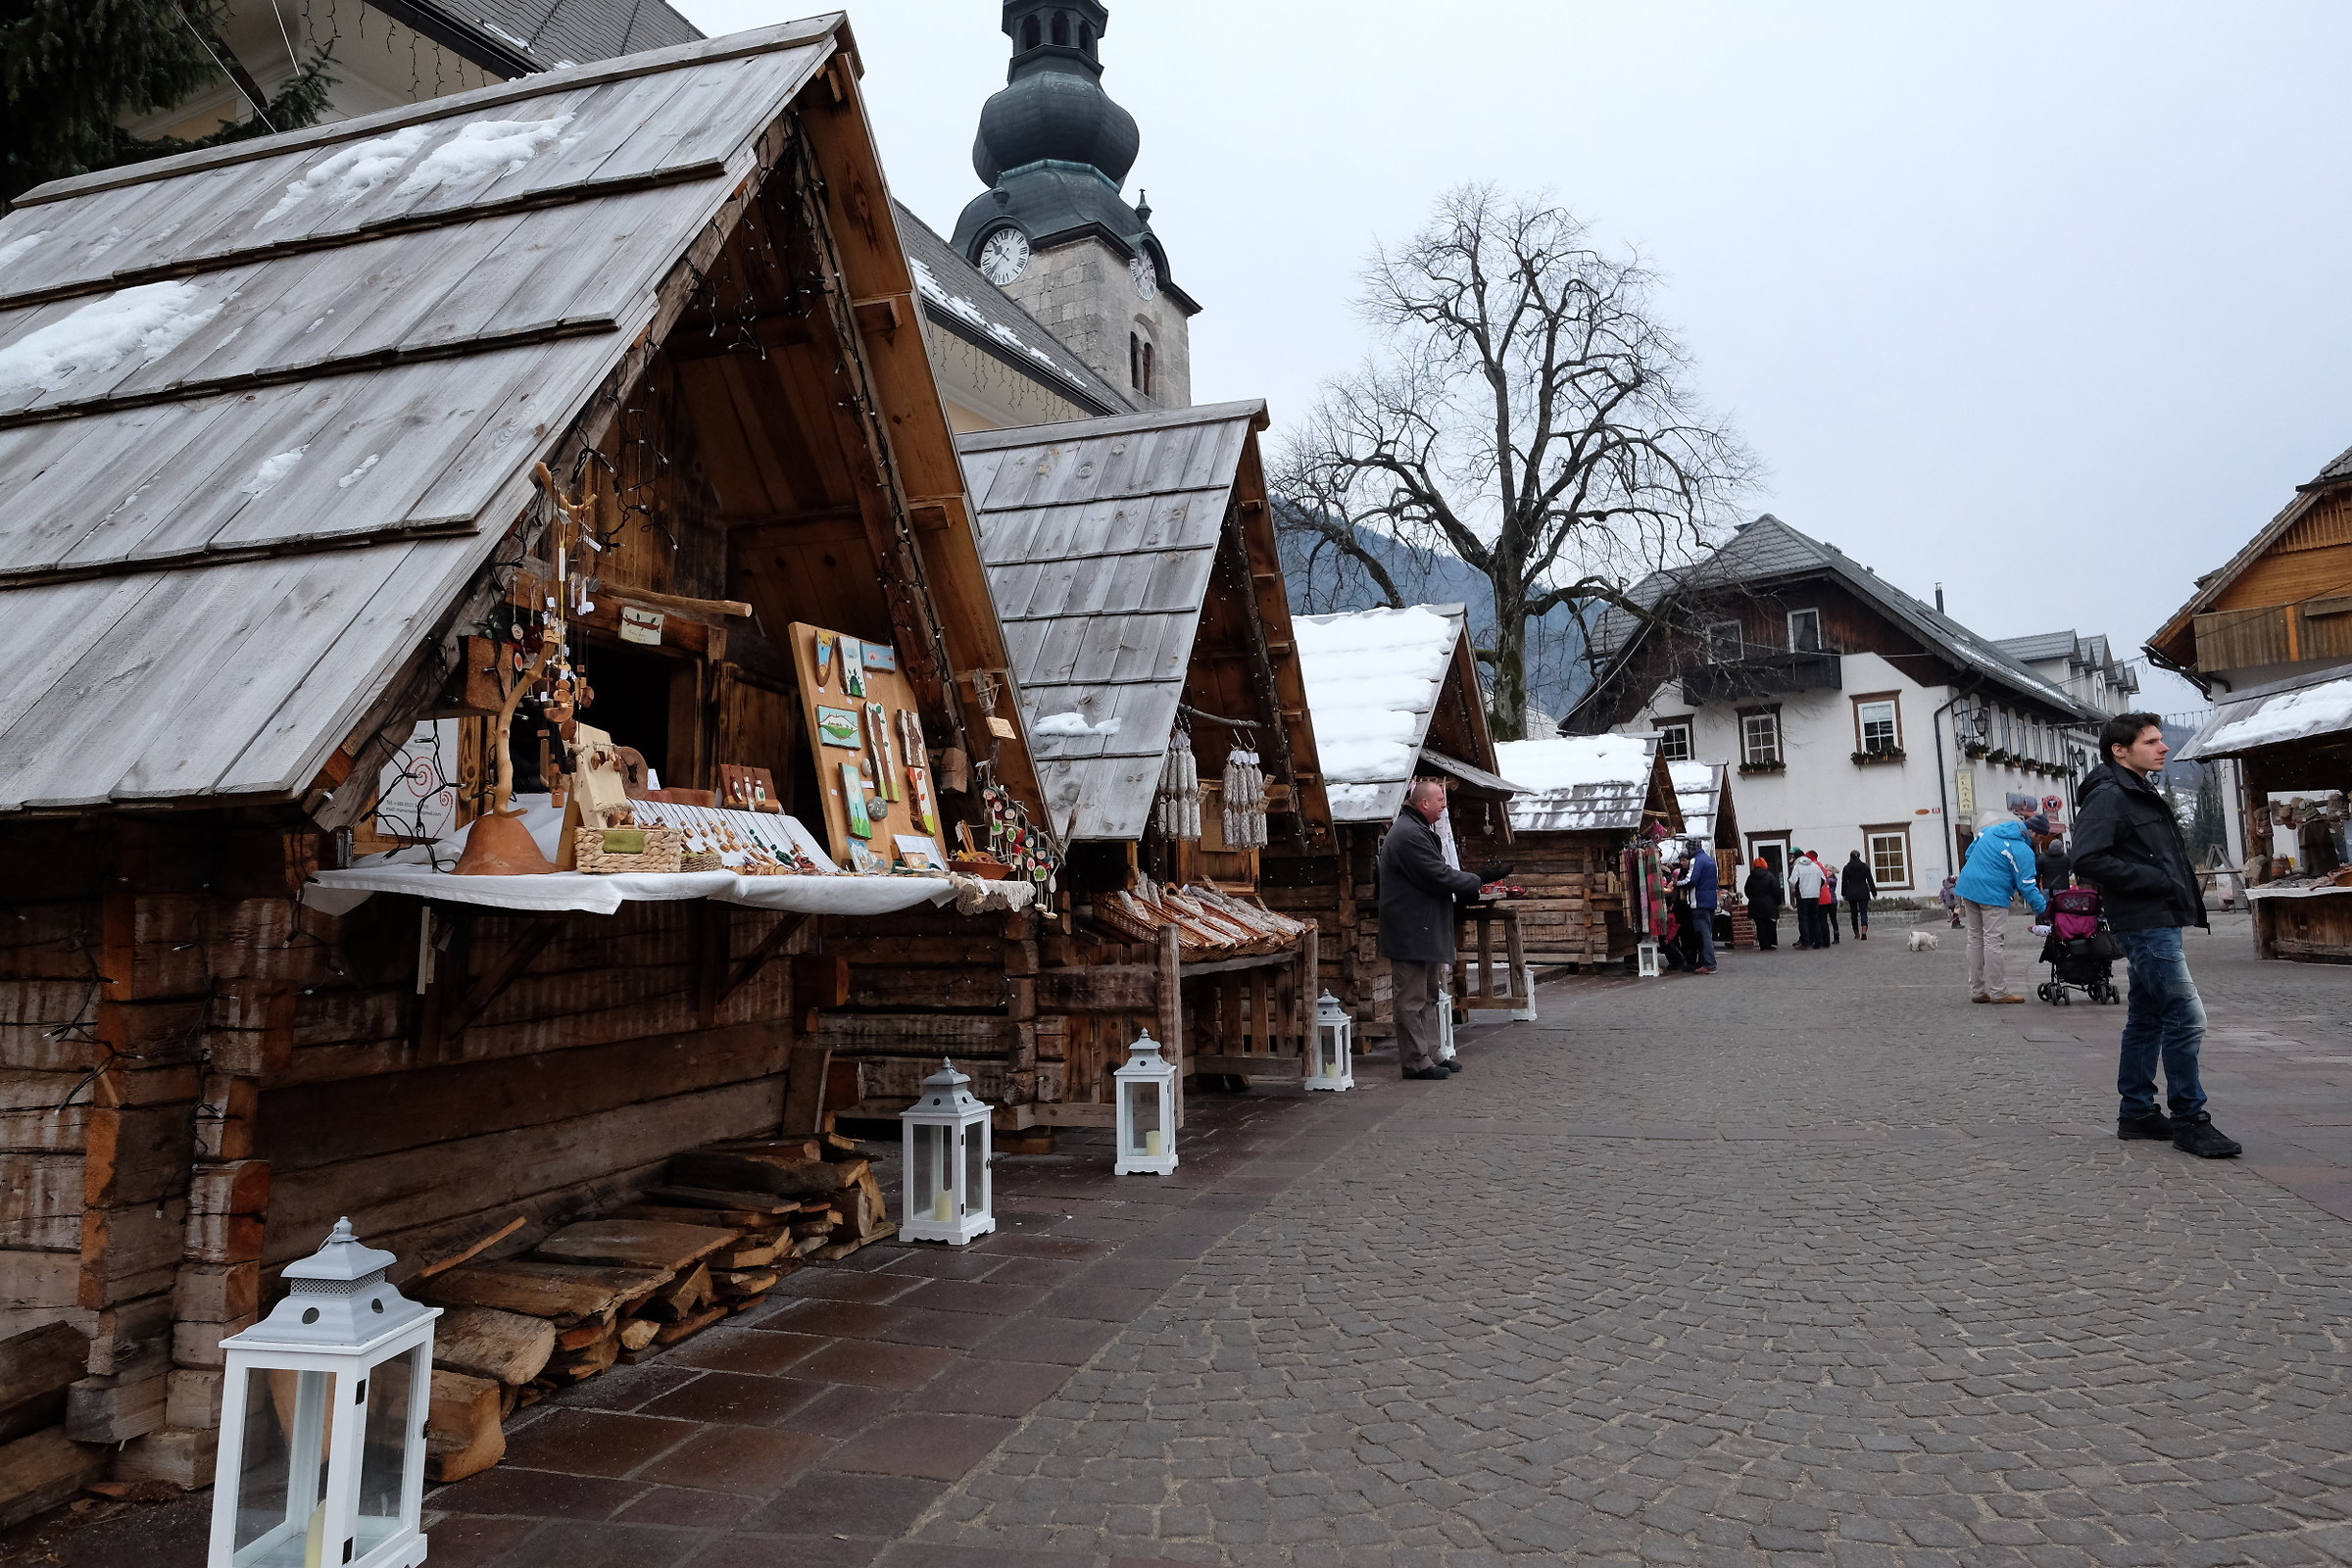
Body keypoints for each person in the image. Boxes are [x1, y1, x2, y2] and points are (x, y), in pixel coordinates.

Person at [2074, 712, 2239, 1157]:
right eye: (2152, 742)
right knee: (2187, 1017)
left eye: (2162, 740)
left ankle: (2137, 1113)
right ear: (2120, 750)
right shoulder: (2110, 794)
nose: (2163, 747)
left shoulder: (2137, 789)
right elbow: (2086, 858)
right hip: (2145, 921)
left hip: (2158, 917)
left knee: (2146, 1018)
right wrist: (2155, 879)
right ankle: (2189, 1119)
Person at [1378, 778, 1499, 1081]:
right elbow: (1437, 874)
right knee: (1410, 999)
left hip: (1423, 927)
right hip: (1410, 930)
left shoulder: (1418, 829)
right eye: (1441, 801)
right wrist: (1477, 879)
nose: (1445, 807)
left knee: (1430, 995)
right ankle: (1415, 1060)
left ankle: (1430, 1053)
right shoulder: (1408, 835)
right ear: (1424, 804)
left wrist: (1472, 881)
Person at [1954, 811, 2048, 1003]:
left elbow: (1969, 853)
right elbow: (2027, 885)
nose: (2039, 842)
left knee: (1975, 938)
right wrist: (2044, 909)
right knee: (1992, 941)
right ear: (2031, 831)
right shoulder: (2022, 851)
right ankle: (1998, 992)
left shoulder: (1988, 831)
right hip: (1992, 894)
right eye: (2039, 837)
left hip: (1968, 886)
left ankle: (1977, 991)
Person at [1677, 839, 1720, 973]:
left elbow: (1692, 880)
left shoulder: (1696, 861)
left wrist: (1677, 884)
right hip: (1711, 902)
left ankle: (1709, 964)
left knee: (1703, 935)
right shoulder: (1710, 860)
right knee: (1707, 933)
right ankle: (1705, 962)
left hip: (1699, 902)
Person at [1788, 851, 1827, 948]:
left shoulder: (1798, 867)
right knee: (1815, 918)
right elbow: (1823, 880)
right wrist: (1817, 888)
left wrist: (1796, 889)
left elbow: (1793, 881)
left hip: (1803, 896)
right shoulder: (1815, 866)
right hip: (1815, 895)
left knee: (1804, 919)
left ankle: (1805, 941)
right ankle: (1818, 941)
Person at [1744, 857, 1783, 950]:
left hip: (1755, 904)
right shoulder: (1770, 876)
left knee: (1760, 925)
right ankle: (1770, 943)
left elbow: (1747, 890)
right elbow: (1776, 890)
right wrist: (1778, 902)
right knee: (1770, 924)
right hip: (1769, 904)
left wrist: (1753, 898)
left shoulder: (1751, 877)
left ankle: (1763, 944)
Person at [1841, 850, 1876, 939]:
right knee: (1863, 912)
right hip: (1863, 891)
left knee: (1854, 914)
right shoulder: (1865, 867)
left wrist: (1843, 893)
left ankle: (1856, 933)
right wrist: (1874, 892)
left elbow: (1844, 882)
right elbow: (1870, 881)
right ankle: (1864, 932)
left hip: (1851, 892)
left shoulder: (1846, 868)